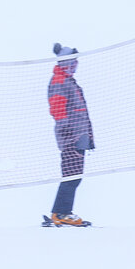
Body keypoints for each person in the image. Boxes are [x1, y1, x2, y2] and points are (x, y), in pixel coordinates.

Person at [46, 43, 94, 227]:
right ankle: (61, 213)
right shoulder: (59, 81)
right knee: (71, 176)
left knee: (74, 175)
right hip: (71, 137)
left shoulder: (68, 80)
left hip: (79, 136)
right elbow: (58, 110)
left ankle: (61, 212)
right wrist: (69, 133)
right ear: (65, 63)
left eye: (76, 63)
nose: (75, 66)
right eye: (72, 63)